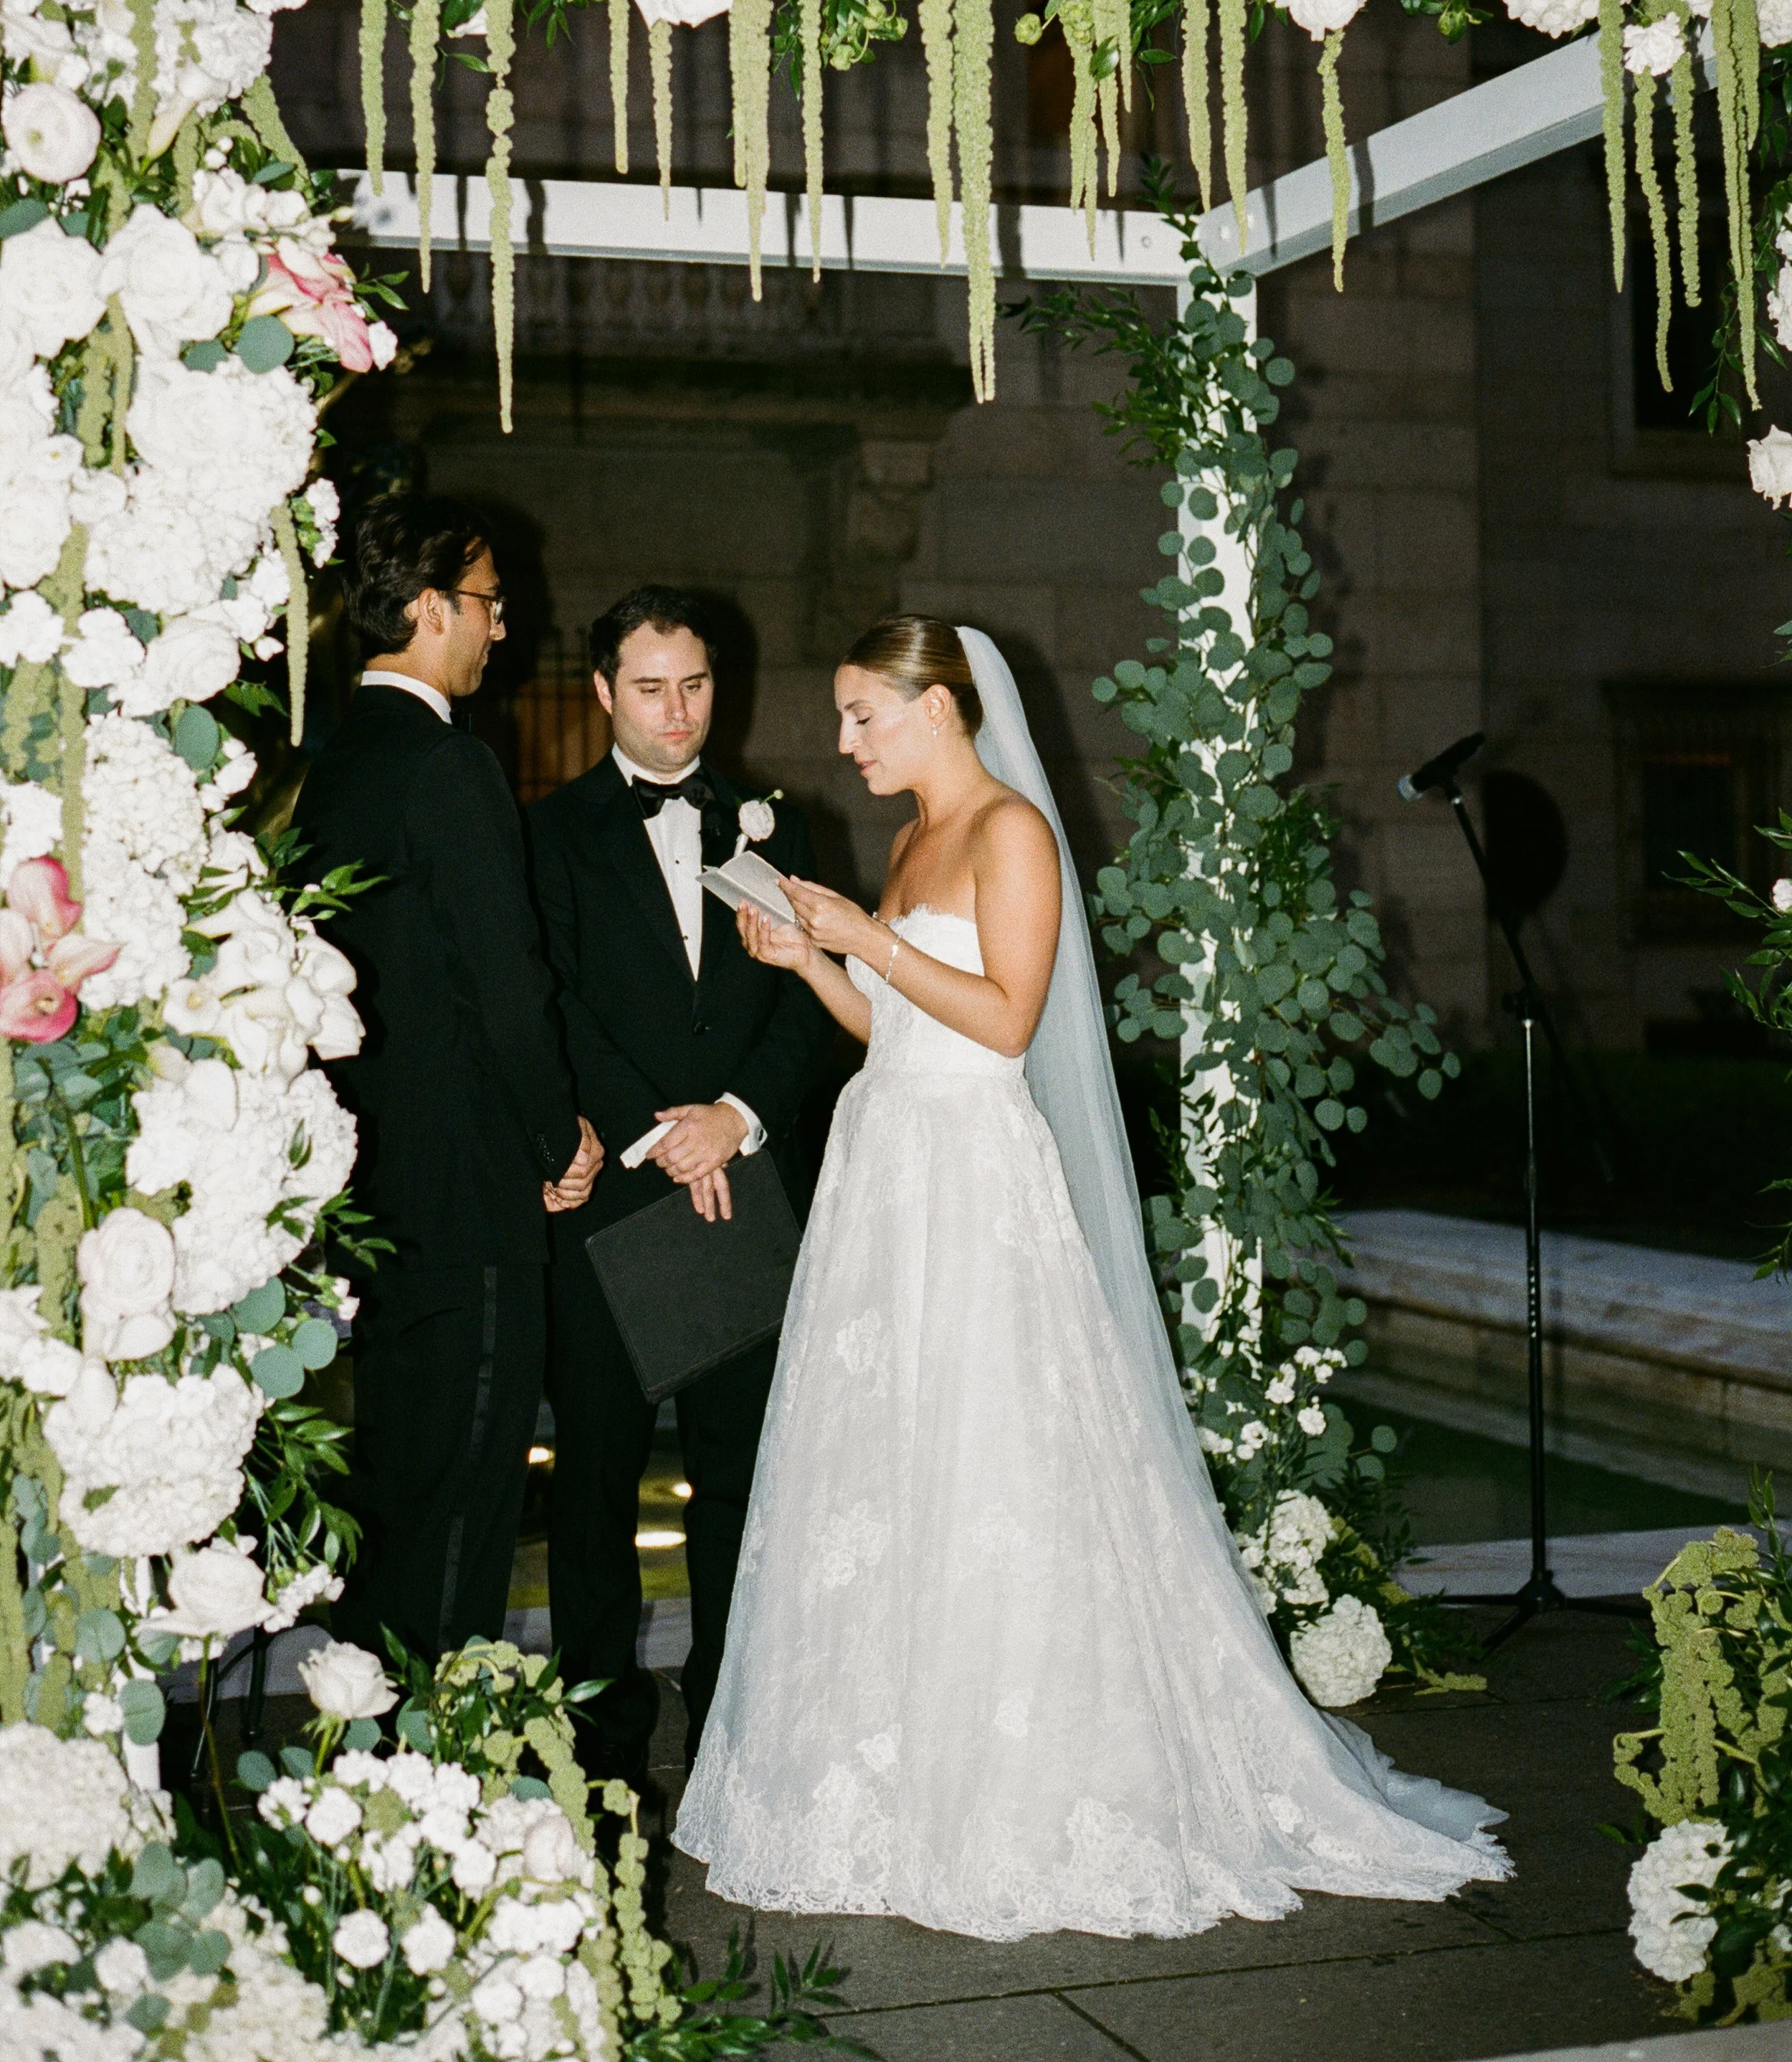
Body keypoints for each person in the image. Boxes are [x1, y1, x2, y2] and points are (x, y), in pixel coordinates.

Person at [676, 616, 1510, 1941]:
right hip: (885, 1166)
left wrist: (870, 944)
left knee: (1001, 1454)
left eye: (861, 716)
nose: (843, 742)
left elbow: (1005, 1019)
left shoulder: (1014, 834)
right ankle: (885, 1776)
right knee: (892, 1461)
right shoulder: (904, 843)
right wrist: (818, 960)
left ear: (939, 709)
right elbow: (895, 1031)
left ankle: (1032, 1779)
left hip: (970, 1178)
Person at [525, 588, 836, 1789]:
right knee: (595, 1480)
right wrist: (664, 1137)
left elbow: (810, 1004)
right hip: (614, 1197)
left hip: (746, 1188)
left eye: (696, 685)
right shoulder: (548, 834)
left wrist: (736, 1119)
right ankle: (600, 1740)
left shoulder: (777, 827)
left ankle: (731, 1723)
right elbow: (554, 1004)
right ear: (603, 692)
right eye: (649, 688)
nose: (676, 711)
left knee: (742, 1479)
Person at [292, 493, 601, 1666]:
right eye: (486, 606)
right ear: (427, 610)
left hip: (377, 1199)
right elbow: (505, 984)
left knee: (399, 1493)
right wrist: (553, 1140)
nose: (501, 631)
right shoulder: (447, 767)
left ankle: (369, 1772)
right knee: (465, 1509)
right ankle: (437, 1782)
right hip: (470, 1196)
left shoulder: (334, 770)